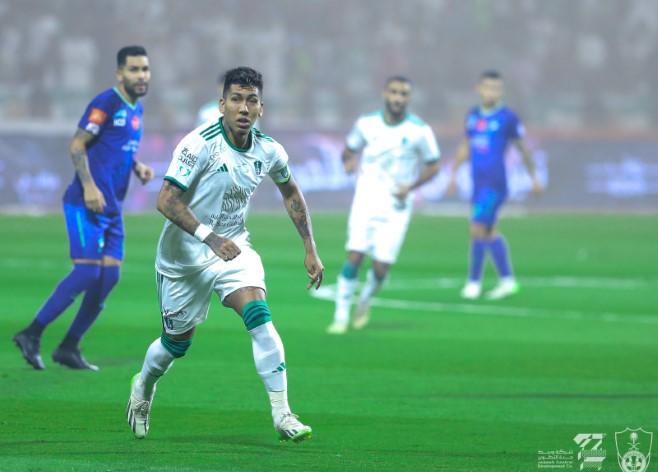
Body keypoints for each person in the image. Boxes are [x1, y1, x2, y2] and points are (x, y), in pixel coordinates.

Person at [126, 67, 324, 443]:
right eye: (236, 99)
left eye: (251, 101)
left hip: (233, 249)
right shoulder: (198, 144)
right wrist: (209, 237)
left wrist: (309, 247)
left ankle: (283, 413)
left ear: (261, 108)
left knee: (259, 318)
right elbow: (165, 200)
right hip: (183, 258)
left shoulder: (269, 150)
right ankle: (143, 387)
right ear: (222, 105)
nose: (243, 108)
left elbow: (291, 192)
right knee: (175, 345)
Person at [13, 46, 154, 371]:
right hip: (84, 202)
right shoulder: (106, 102)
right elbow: (77, 144)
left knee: (109, 277)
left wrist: (136, 166)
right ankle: (31, 333)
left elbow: (115, 147)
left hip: (112, 207)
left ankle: (69, 346)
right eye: (134, 69)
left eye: (145, 69)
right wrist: (89, 186)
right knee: (88, 271)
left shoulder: (137, 108)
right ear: (119, 73)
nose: (141, 75)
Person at [327, 76, 441, 335]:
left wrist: (411, 186)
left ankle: (364, 301)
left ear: (409, 98)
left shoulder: (419, 131)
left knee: (381, 267)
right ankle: (340, 316)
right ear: (385, 94)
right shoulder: (366, 124)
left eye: (403, 94)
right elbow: (348, 150)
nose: (398, 98)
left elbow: (434, 165)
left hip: (396, 207)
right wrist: (348, 162)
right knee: (354, 255)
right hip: (365, 201)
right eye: (394, 92)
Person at [447, 70, 542, 300]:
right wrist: (453, 174)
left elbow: (522, 148)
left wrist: (534, 177)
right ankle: (507, 280)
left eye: (496, 88)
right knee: (489, 232)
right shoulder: (472, 116)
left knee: (476, 227)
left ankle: (473, 283)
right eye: (488, 87)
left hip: (495, 183)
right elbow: (465, 145)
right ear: (478, 89)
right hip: (478, 183)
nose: (492, 92)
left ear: (501, 91)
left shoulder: (508, 117)